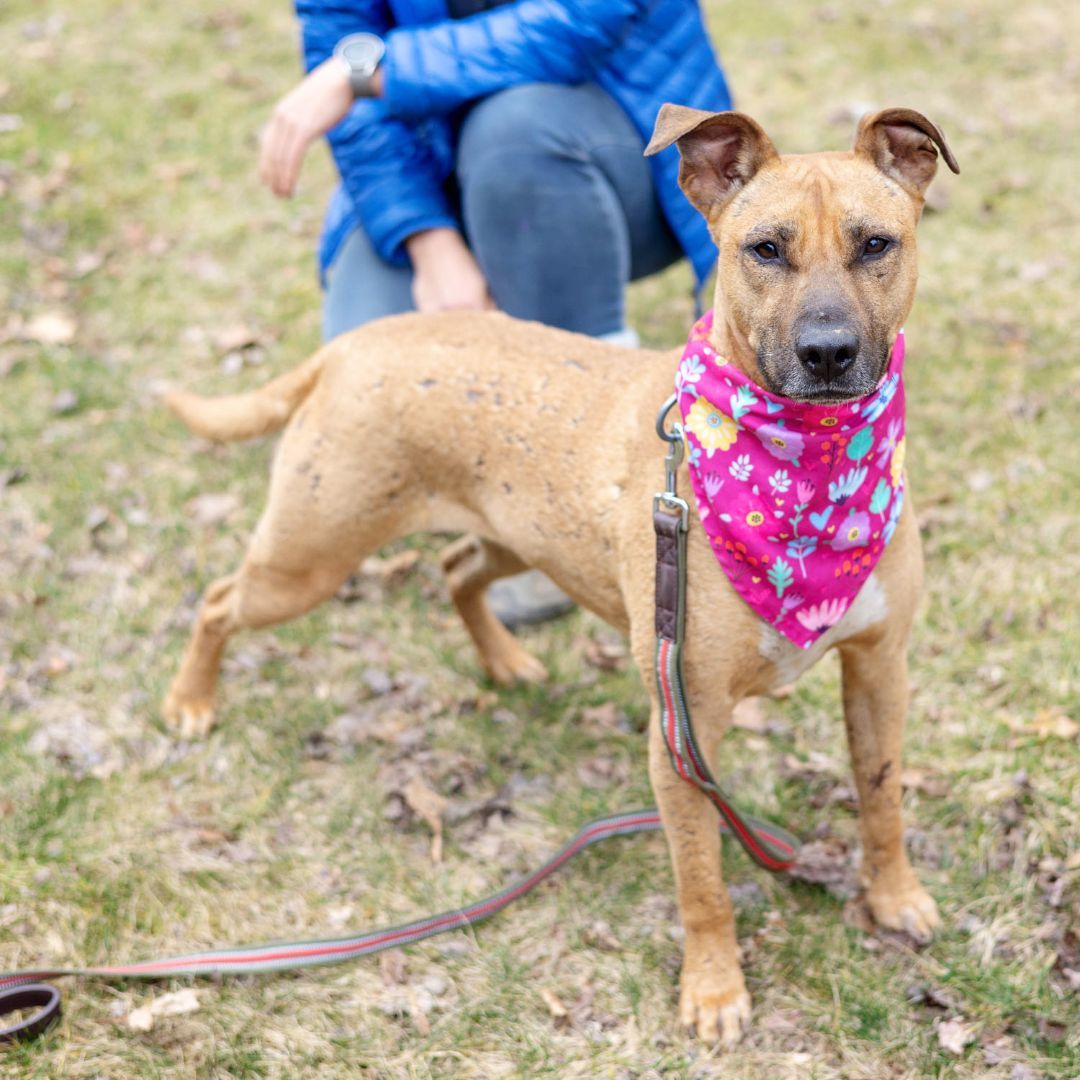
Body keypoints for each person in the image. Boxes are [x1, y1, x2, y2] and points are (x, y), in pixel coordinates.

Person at [259, 0, 733, 622]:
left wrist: (368, 69)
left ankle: (595, 490)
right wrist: (429, 242)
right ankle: (501, 478)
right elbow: (354, 102)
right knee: (374, 393)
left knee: (515, 134)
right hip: (442, 173)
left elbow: (571, 28)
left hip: (602, 152)